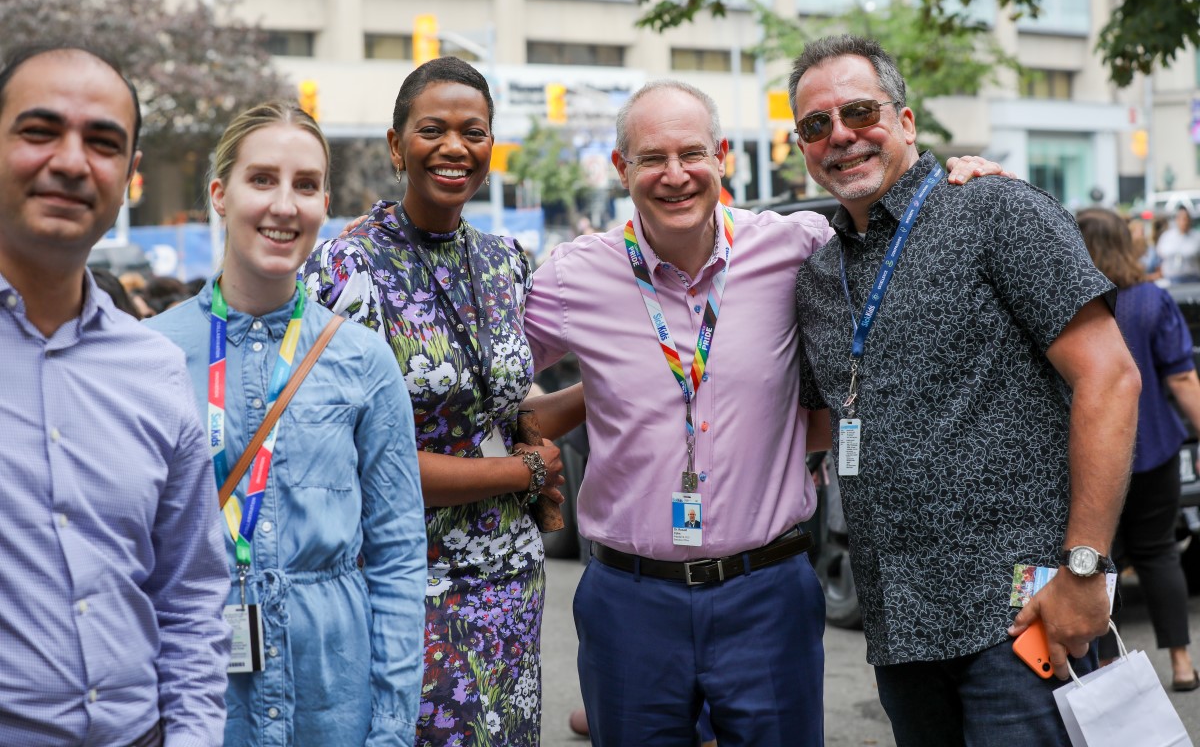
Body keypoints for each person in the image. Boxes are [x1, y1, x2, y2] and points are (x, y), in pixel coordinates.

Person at [522, 76, 1006, 746]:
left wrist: (971, 187)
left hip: (767, 592)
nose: (674, 175)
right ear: (620, 167)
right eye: (652, 158)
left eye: (691, 153)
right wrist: (558, 424)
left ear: (721, 156)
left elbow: (898, 242)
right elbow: (482, 383)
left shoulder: (795, 246)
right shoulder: (572, 276)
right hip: (629, 597)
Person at [788, 34, 1141, 746]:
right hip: (900, 629)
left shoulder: (995, 211)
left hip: (1019, 616)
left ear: (905, 121)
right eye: (817, 124)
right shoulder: (818, 275)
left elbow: (1110, 377)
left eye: (860, 112)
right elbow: (814, 425)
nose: (841, 136)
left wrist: (1084, 569)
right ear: (801, 146)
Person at [305, 56, 576, 746]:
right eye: (433, 130)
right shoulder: (348, 267)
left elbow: (506, 414)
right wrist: (525, 472)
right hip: (406, 585)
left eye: (473, 132)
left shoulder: (505, 261)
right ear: (397, 146)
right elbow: (363, 462)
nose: (455, 147)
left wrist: (612, 388)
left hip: (513, 583)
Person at [146, 101, 427, 745]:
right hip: (195, 697)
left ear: (324, 203)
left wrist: (391, 727)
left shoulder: (363, 359)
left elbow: (398, 555)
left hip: (334, 696)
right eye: (262, 179)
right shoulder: (150, 354)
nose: (284, 205)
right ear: (220, 194)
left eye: (305, 185)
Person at [0, 44, 230, 745]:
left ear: (130, 175)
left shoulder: (155, 368)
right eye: (40, 131)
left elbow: (190, 595)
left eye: (103, 143)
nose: (72, 162)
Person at [1077, 207, 1200, 692]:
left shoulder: (1070, 305)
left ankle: (1108, 670)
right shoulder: (1152, 300)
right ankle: (1182, 663)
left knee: (1099, 559)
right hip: (1154, 447)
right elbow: (1183, 378)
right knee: (1159, 553)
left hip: (1088, 454)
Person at [1157, 203, 1200, 284]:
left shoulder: (1197, 237)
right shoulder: (1166, 237)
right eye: (1181, 218)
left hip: (1193, 278)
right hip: (1171, 279)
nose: (1184, 222)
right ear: (1176, 220)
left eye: (1186, 219)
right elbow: (1160, 256)